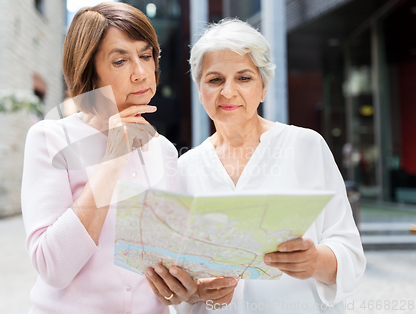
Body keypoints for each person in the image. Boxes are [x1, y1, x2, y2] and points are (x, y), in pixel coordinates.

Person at [145, 18, 366, 313]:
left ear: (263, 88)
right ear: (200, 91)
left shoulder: (305, 146)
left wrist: (314, 261)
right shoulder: (185, 168)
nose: (228, 92)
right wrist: (195, 292)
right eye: (215, 79)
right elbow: (180, 280)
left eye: (244, 78)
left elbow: (350, 252)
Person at [21, 2, 177, 313]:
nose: (141, 73)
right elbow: (52, 268)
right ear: (89, 71)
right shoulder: (51, 139)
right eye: (120, 61)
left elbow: (165, 266)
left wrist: (187, 288)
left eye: (146, 56)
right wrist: (113, 160)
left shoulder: (165, 151)